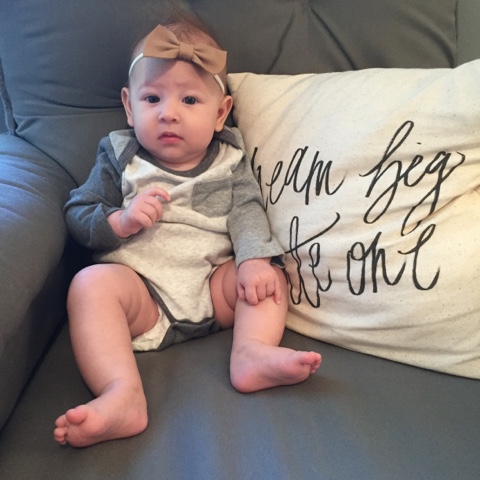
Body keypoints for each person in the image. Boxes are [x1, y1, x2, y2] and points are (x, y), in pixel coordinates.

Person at [54, 21, 321, 448]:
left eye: (190, 99)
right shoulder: (120, 156)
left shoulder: (230, 157)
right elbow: (78, 212)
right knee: (90, 284)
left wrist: (253, 259)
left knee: (270, 276)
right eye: (152, 98)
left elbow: (247, 211)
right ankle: (122, 392)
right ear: (129, 106)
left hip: (214, 289)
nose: (168, 113)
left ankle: (251, 352)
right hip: (143, 296)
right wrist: (120, 221)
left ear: (220, 113)